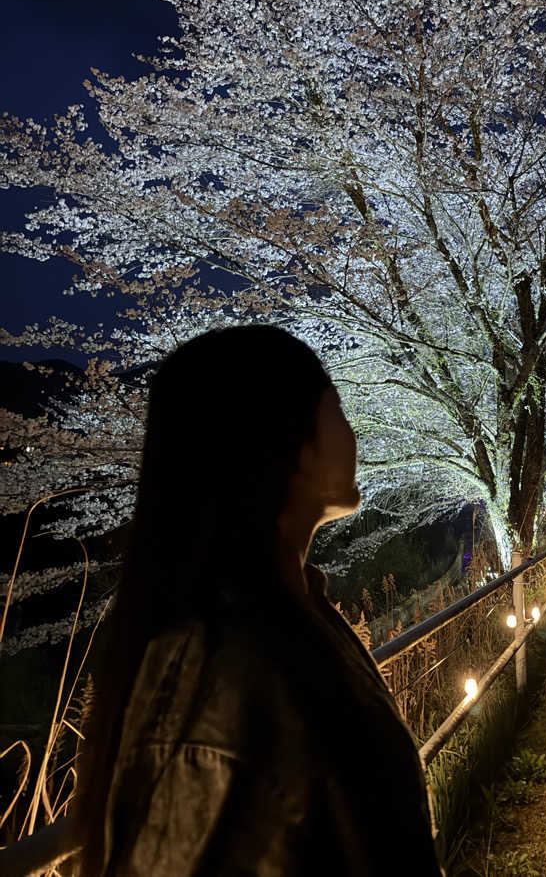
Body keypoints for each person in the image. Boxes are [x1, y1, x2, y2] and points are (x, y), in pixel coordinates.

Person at [4, 325, 443, 875]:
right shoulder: (218, 674)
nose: (355, 434)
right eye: (340, 410)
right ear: (292, 443)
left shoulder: (291, 614)